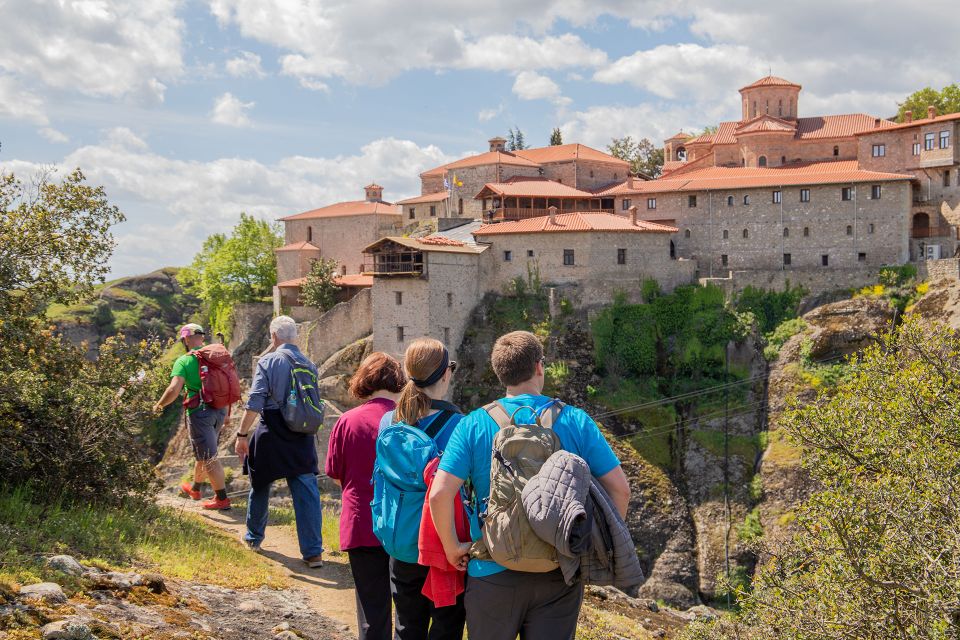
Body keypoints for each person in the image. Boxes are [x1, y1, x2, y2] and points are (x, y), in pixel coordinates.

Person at [428, 330, 631, 640]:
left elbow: (440, 494)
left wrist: (452, 547)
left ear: (500, 374)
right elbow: (620, 489)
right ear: (539, 367)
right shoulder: (576, 421)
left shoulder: (473, 424)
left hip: (491, 569)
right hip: (557, 574)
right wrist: (585, 546)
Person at [378, 338, 466, 640]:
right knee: (446, 625)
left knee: (406, 625)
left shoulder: (388, 421)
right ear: (445, 374)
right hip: (442, 543)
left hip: (400, 539)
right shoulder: (459, 426)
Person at [325, 352, 406, 640]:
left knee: (372, 612)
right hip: (404, 526)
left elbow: (335, 473)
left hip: (362, 522)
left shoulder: (347, 421)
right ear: (399, 382)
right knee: (411, 613)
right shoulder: (407, 421)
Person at [234, 316, 324, 567]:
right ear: (294, 336)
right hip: (302, 432)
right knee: (306, 489)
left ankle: (253, 537)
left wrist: (242, 434)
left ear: (273, 337)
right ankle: (313, 552)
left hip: (272, 429)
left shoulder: (269, 360)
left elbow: (255, 401)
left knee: (260, 483)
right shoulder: (308, 363)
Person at [154, 323, 230, 510]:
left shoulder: (185, 361)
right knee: (204, 451)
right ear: (201, 338)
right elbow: (228, 384)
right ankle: (195, 488)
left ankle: (222, 500)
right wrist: (227, 411)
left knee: (209, 456)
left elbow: (173, 389)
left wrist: (159, 405)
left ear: (186, 339)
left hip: (200, 412)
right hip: (219, 409)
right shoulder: (215, 357)